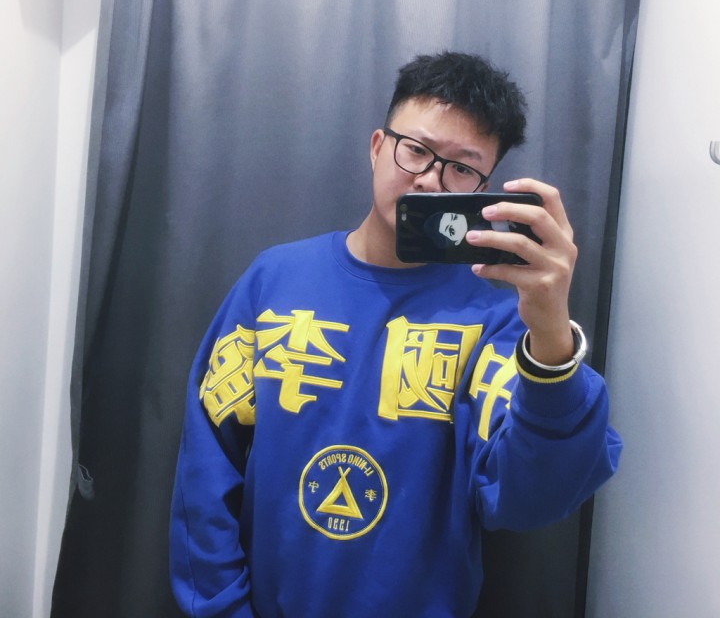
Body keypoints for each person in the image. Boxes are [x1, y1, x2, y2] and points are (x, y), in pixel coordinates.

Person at [170, 51, 622, 618]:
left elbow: (530, 499)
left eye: (462, 168)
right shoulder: (274, 280)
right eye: (416, 150)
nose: (431, 179)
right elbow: (207, 466)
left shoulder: (497, 320)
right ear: (378, 146)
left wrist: (551, 333)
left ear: (484, 188)